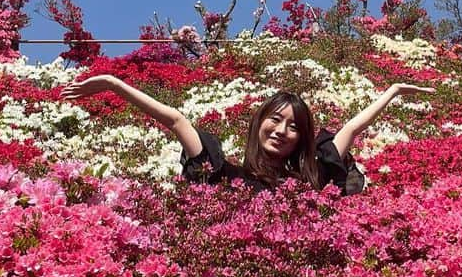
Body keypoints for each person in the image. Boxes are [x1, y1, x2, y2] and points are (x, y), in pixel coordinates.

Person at [58, 74, 433, 194]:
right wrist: (112, 84)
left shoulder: (312, 179)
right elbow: (175, 120)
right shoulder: (226, 175)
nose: (282, 131)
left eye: (294, 127)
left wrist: (393, 91)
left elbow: (353, 127)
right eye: (275, 120)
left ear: (303, 138)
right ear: (259, 123)